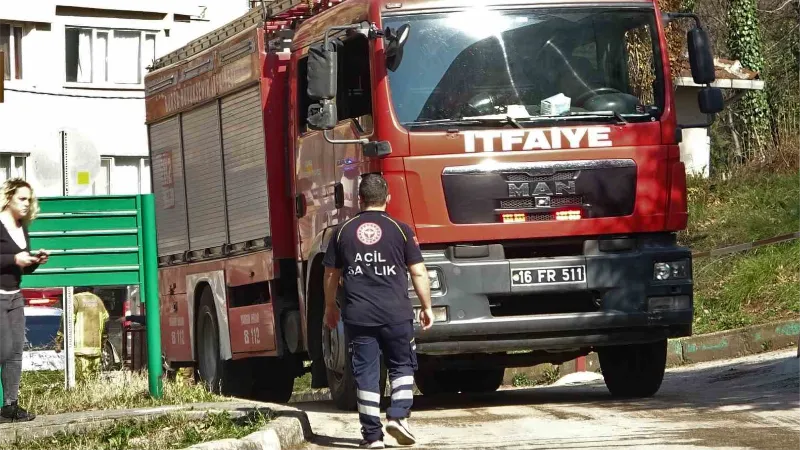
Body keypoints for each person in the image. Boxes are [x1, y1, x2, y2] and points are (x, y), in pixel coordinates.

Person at [322, 173, 434, 449]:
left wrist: (329, 307)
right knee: (402, 365)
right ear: (388, 199)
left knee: (366, 374)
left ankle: (372, 437)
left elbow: (330, 275)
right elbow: (418, 271)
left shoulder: (342, 232)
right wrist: (426, 306)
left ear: (359, 200)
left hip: (359, 316)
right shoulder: (401, 230)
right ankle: (398, 415)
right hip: (396, 314)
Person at [0, 178, 49, 423]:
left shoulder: (22, 227)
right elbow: (8, 260)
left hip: (14, 297)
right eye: (21, 198)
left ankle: (10, 406)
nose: (26, 204)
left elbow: (21, 267)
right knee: (3, 349)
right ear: (8, 198)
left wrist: (34, 262)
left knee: (16, 353)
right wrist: (14, 260)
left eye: (29, 200)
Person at [55, 288, 109, 382]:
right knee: (93, 381)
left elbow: (66, 321)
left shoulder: (75, 299)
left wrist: (59, 340)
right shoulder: (98, 300)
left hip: (80, 351)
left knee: (81, 382)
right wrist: (103, 342)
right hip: (96, 350)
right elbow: (106, 321)